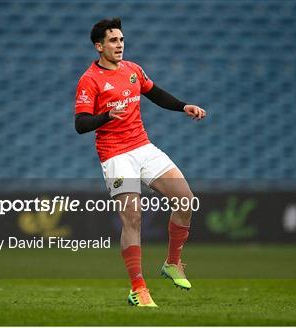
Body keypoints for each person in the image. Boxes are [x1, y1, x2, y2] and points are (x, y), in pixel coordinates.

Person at [74, 17, 206, 307]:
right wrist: (106, 116)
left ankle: (172, 262)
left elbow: (155, 93)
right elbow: (81, 124)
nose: (119, 44)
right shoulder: (90, 79)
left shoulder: (133, 70)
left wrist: (184, 106)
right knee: (132, 217)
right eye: (112, 40)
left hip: (143, 147)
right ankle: (138, 288)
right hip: (115, 154)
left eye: (121, 39)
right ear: (99, 46)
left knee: (185, 200)